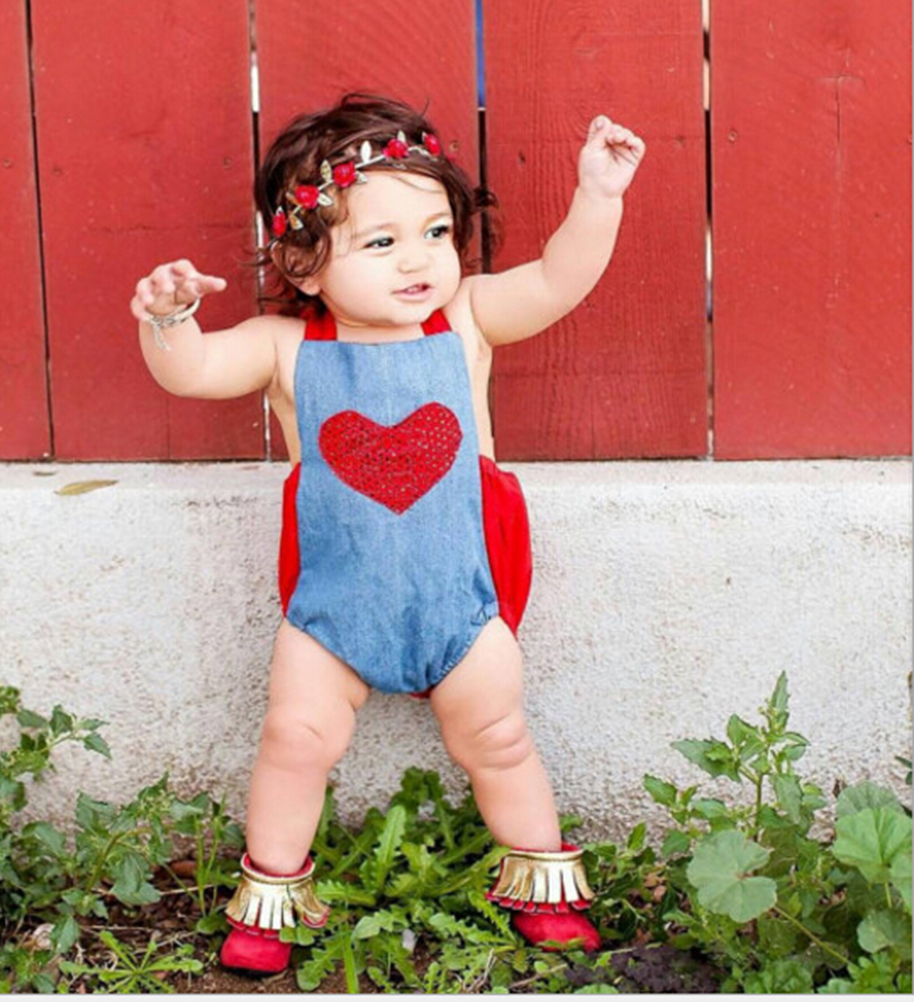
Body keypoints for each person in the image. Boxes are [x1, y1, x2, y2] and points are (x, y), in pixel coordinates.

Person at [131, 93, 645, 976]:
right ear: (302, 262)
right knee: (295, 739)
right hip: (331, 615)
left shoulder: (468, 320)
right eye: (382, 242)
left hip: (461, 607)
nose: (420, 259)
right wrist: (168, 321)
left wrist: (597, 196)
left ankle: (544, 880)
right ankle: (271, 893)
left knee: (499, 738)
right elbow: (195, 372)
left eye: (437, 232)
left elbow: (559, 279)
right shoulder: (284, 347)